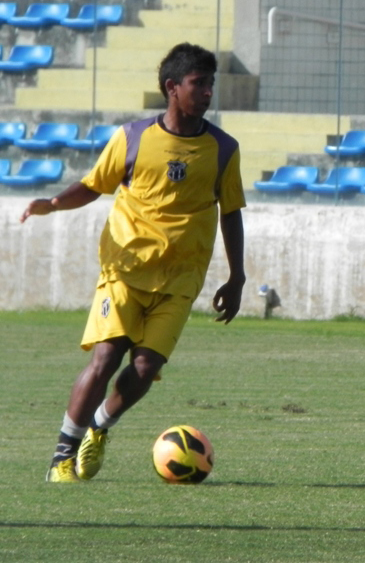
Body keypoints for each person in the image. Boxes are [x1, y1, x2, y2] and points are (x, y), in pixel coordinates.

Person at [20, 43, 247, 482]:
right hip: (124, 270)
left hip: (181, 278)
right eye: (198, 83)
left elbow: (232, 211)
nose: (208, 92)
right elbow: (93, 185)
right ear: (172, 87)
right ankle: (62, 457)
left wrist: (237, 276)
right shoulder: (133, 137)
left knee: (145, 368)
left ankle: (100, 426)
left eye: (211, 84)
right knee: (106, 358)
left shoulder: (223, 148)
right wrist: (54, 202)